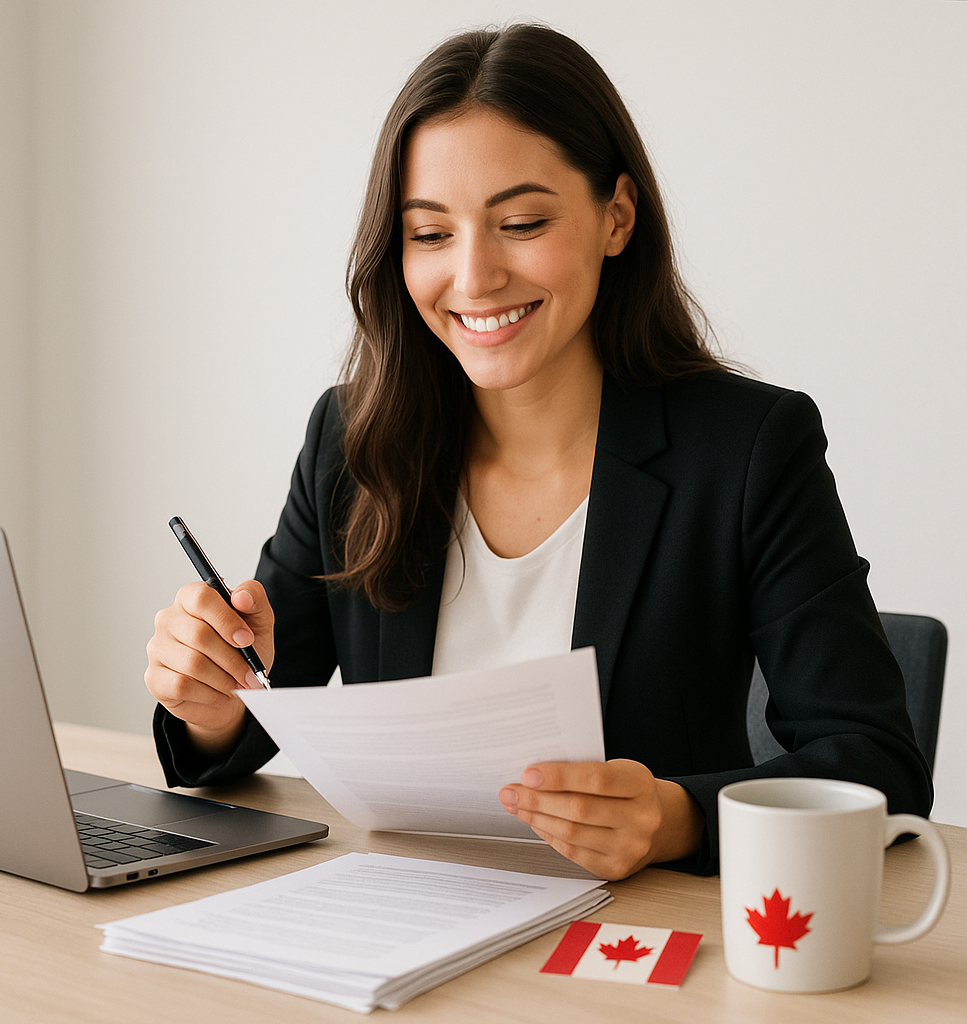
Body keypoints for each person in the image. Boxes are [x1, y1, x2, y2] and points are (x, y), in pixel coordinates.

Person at [144, 24, 932, 879]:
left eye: (520, 222)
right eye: (431, 234)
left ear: (616, 217)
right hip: (398, 930)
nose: (475, 278)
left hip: (632, 953)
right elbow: (259, 702)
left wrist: (676, 818)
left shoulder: (746, 451)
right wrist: (208, 701)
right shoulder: (352, 440)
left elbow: (876, 763)